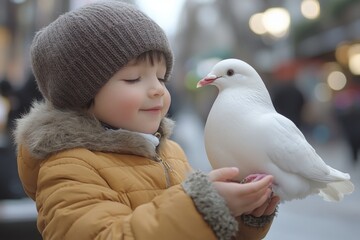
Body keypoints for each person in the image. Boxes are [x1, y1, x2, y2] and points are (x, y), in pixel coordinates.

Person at [14, 1, 279, 239]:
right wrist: (199, 207)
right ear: (82, 94)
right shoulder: (68, 168)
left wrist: (239, 215)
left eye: (162, 77)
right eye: (133, 78)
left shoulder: (170, 152)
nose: (158, 90)